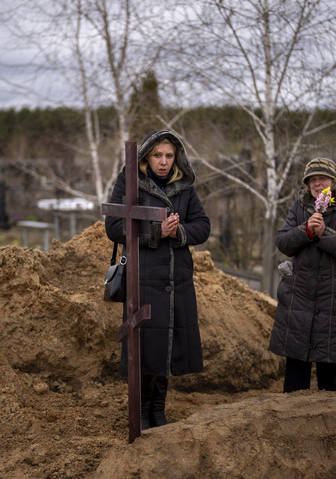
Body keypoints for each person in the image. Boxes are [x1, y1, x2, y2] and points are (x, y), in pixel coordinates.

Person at [105, 130, 210, 429]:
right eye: (157, 155)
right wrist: (155, 232)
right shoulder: (130, 181)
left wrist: (178, 231)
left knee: (168, 346)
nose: (163, 162)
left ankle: (158, 412)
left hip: (176, 280)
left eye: (169, 156)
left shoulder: (184, 186)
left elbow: (203, 226)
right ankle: (140, 414)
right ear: (146, 157)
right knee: (147, 346)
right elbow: (113, 227)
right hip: (145, 278)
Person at [268, 157, 336, 392]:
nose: (316, 182)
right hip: (300, 297)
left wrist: (325, 234)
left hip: (334, 302)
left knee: (329, 369)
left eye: (322, 178)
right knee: (296, 367)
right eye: (312, 179)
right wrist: (305, 231)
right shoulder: (299, 206)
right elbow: (283, 242)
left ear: (333, 181)